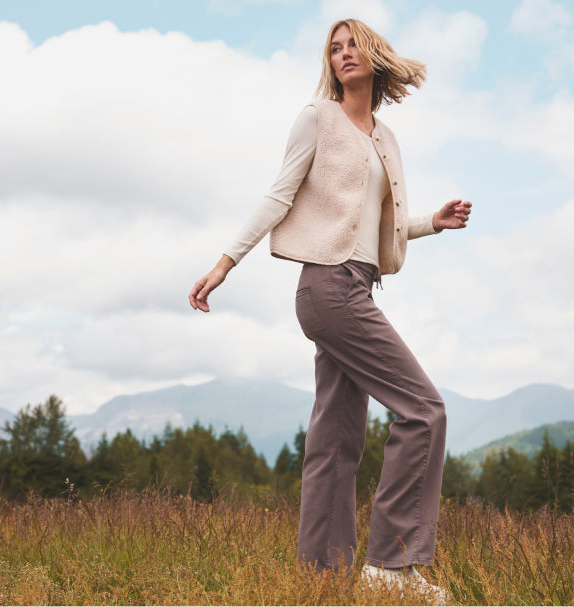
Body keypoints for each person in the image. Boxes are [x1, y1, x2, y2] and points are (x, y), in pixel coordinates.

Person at [188, 18, 471, 600]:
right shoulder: (317, 117)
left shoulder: (385, 138)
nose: (343, 54)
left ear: (375, 56)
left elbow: (379, 225)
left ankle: (323, 580)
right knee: (424, 410)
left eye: (353, 45)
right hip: (327, 286)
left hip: (357, 284)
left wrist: (431, 224)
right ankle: (390, 568)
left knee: (336, 440)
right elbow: (279, 194)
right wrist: (224, 264)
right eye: (334, 48)